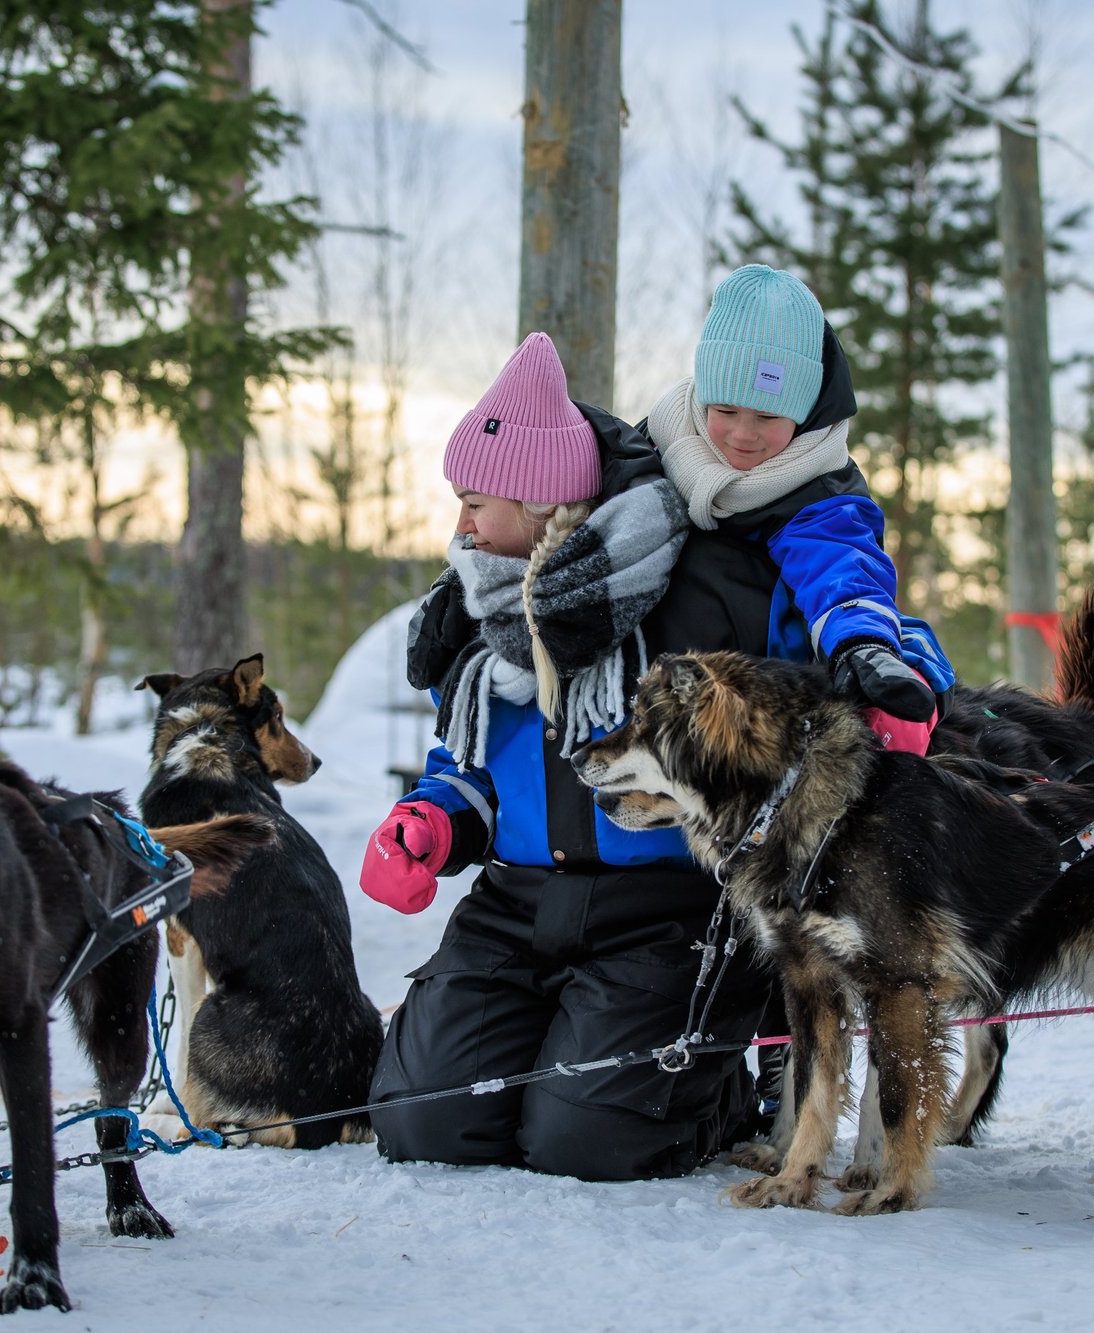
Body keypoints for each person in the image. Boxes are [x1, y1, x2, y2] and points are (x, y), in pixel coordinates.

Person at [355, 331, 773, 1182]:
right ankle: (549, 1052)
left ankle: (721, 1088)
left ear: (542, 503)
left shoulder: (677, 597)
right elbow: (465, 764)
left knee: (584, 1140)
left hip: (660, 910)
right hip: (517, 904)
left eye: (476, 501)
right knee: (424, 1118)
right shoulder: (475, 611)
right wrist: (430, 822)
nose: (460, 523)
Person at [644, 263, 954, 754]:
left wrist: (860, 644)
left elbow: (840, 564)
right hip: (657, 695)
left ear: (803, 412)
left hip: (761, 706)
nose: (743, 435)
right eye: (725, 411)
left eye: (767, 416)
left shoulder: (819, 484)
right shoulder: (658, 445)